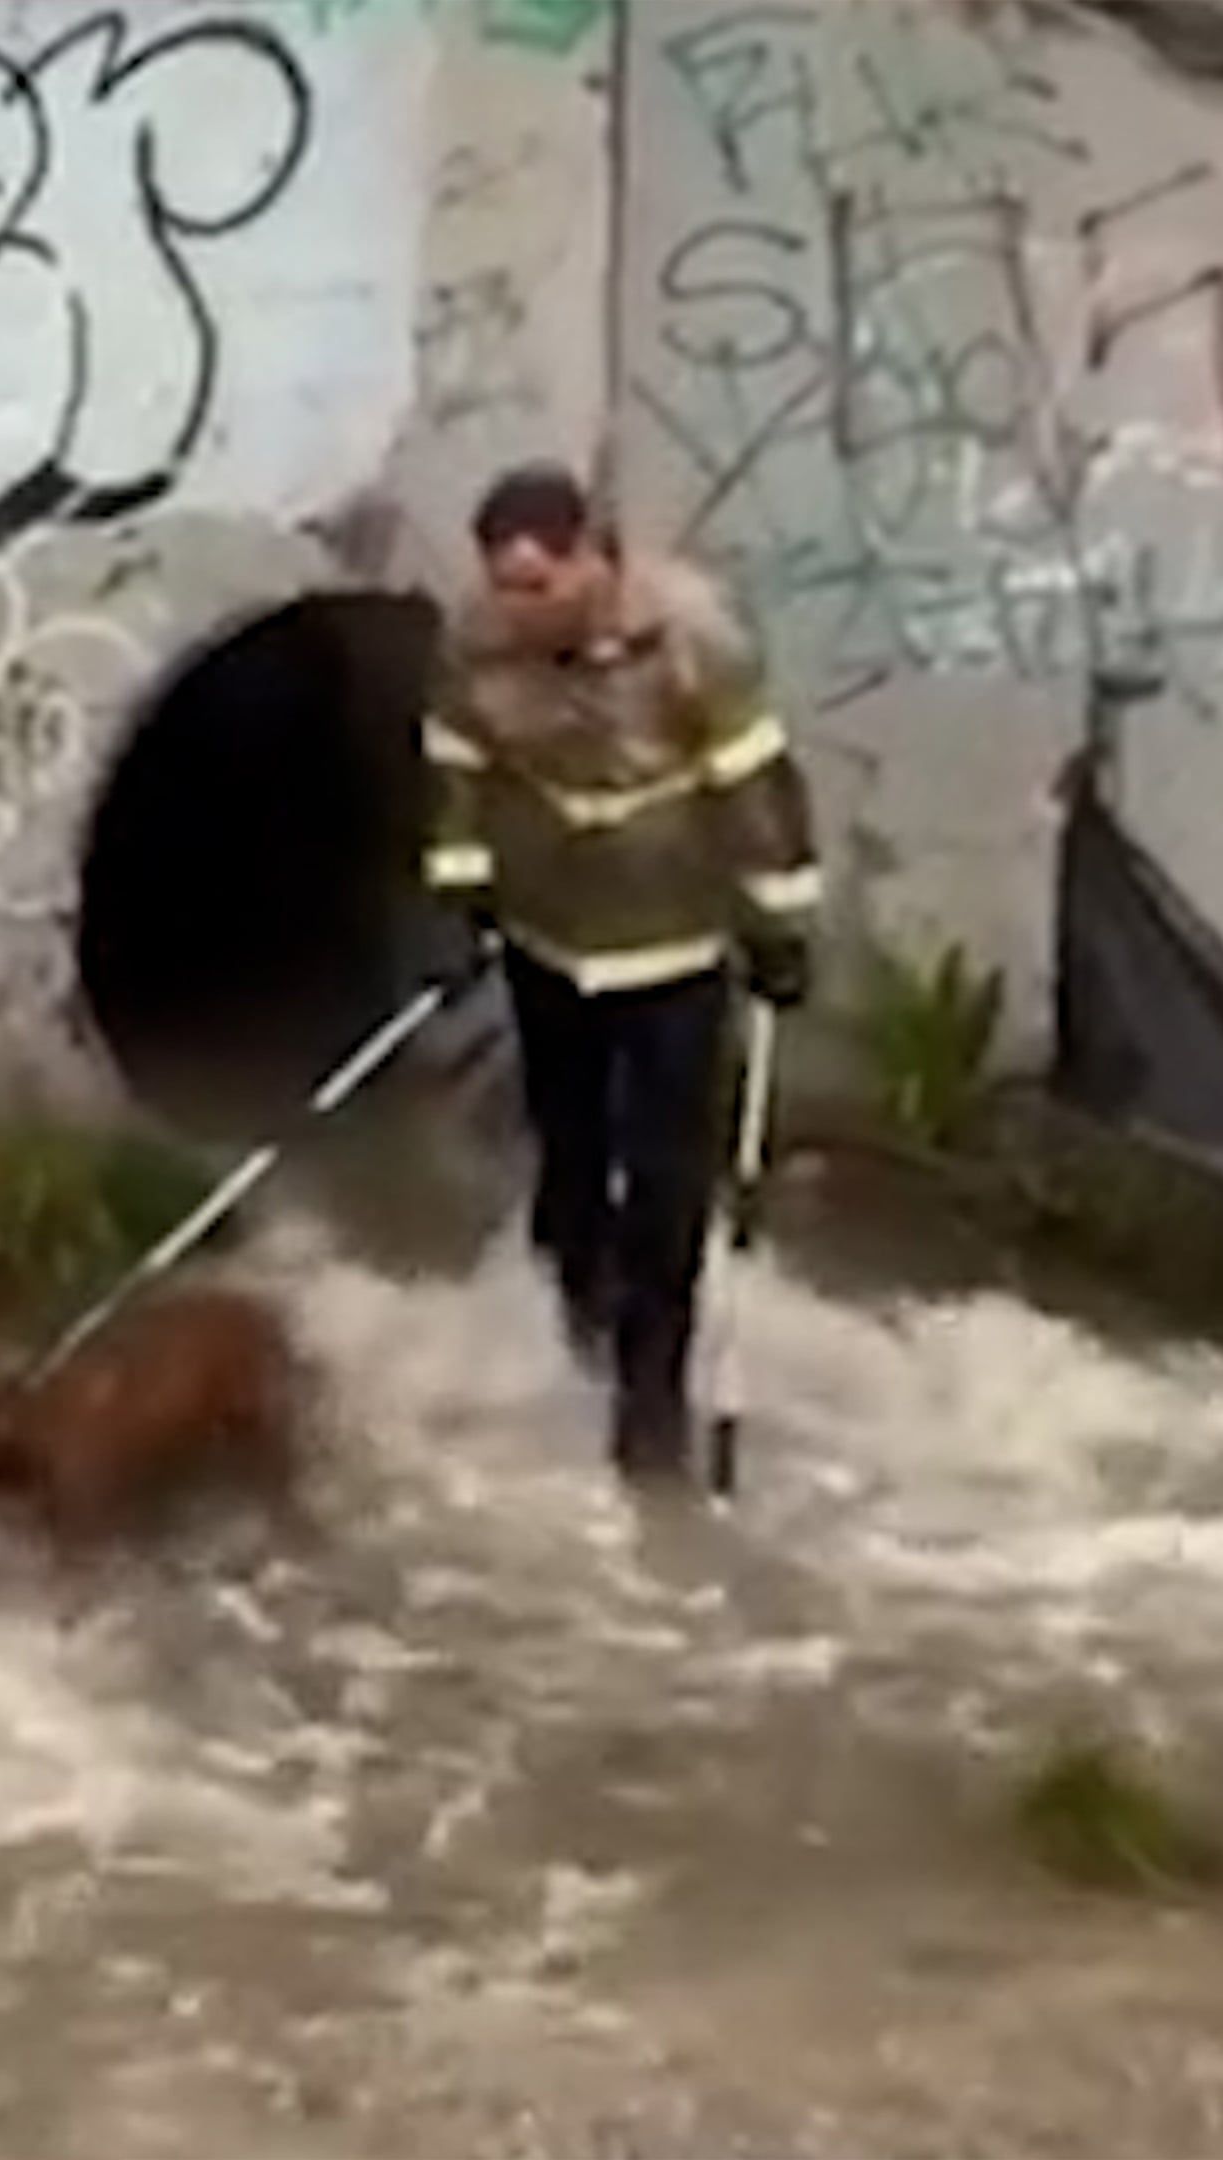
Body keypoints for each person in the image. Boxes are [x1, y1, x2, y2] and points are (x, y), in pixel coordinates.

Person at [420, 464, 826, 1483]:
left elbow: (756, 786)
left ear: (594, 559)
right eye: (504, 588)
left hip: (675, 945)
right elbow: (457, 772)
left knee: (666, 1168)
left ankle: (653, 1395)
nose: (519, 611)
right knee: (569, 1148)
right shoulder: (474, 645)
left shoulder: (695, 641)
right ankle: (579, 1318)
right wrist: (459, 894)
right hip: (548, 937)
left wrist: (779, 922)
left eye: (539, 586)